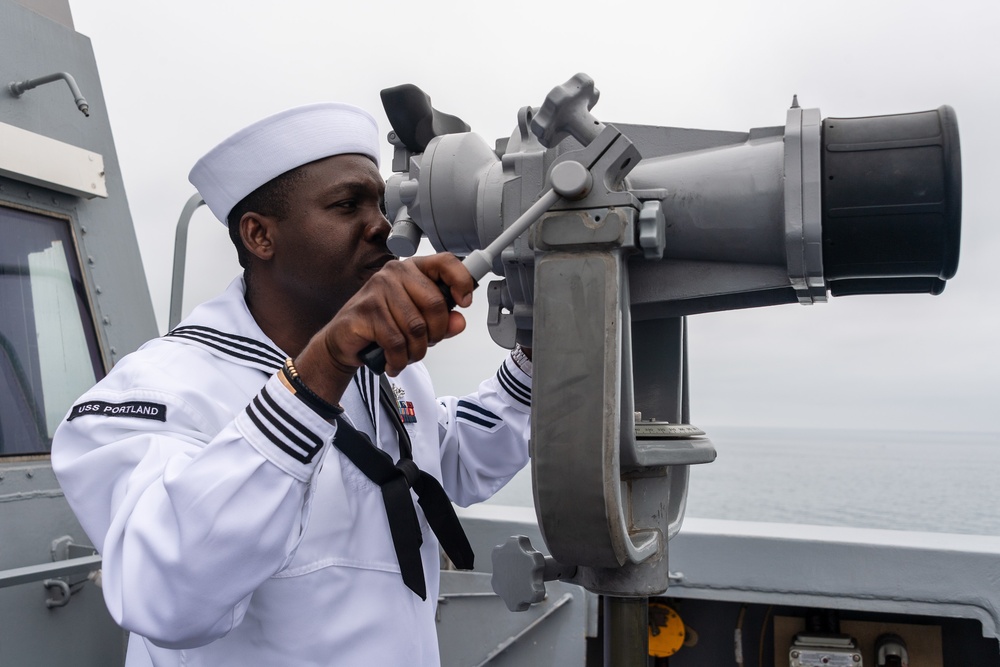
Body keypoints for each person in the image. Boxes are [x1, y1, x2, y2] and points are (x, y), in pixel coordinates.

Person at [51, 102, 532, 666]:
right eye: (348, 205)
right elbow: (164, 598)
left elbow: (449, 458)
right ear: (259, 235)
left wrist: (535, 358)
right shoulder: (152, 396)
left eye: (380, 203)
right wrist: (321, 368)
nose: (382, 224)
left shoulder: (381, 371)